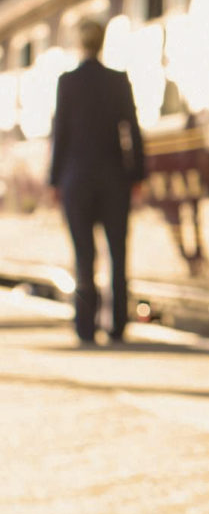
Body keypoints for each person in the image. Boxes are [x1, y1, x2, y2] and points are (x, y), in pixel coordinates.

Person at [49, 18, 145, 345]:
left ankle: (86, 328)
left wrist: (54, 180)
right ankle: (117, 326)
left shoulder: (68, 82)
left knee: (84, 256)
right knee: (118, 254)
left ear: (80, 44)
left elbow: (59, 133)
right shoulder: (118, 81)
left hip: (76, 179)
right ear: (103, 43)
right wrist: (137, 175)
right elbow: (132, 130)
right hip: (114, 179)